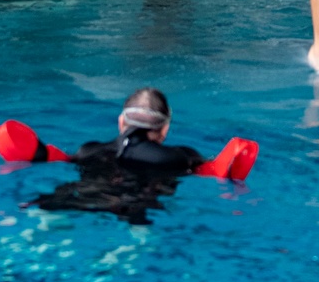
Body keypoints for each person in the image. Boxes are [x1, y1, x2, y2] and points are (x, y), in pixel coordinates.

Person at [33, 89, 210, 225]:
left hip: (82, 200)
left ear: (121, 122)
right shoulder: (181, 157)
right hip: (138, 213)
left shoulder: (88, 151)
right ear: (164, 129)